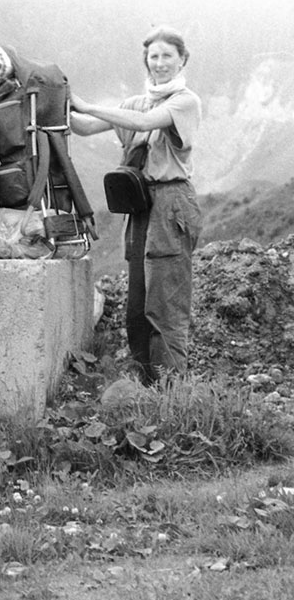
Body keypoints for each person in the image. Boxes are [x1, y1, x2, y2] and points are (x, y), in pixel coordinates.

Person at [69, 25, 203, 384]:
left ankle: (171, 396)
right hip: (140, 206)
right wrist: (52, 100)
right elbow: (82, 127)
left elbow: (145, 123)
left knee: (165, 309)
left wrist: (87, 103)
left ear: (182, 60)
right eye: (153, 56)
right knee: (137, 308)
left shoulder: (184, 101)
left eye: (167, 56)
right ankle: (147, 389)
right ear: (146, 61)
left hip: (173, 203)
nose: (159, 63)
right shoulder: (135, 103)